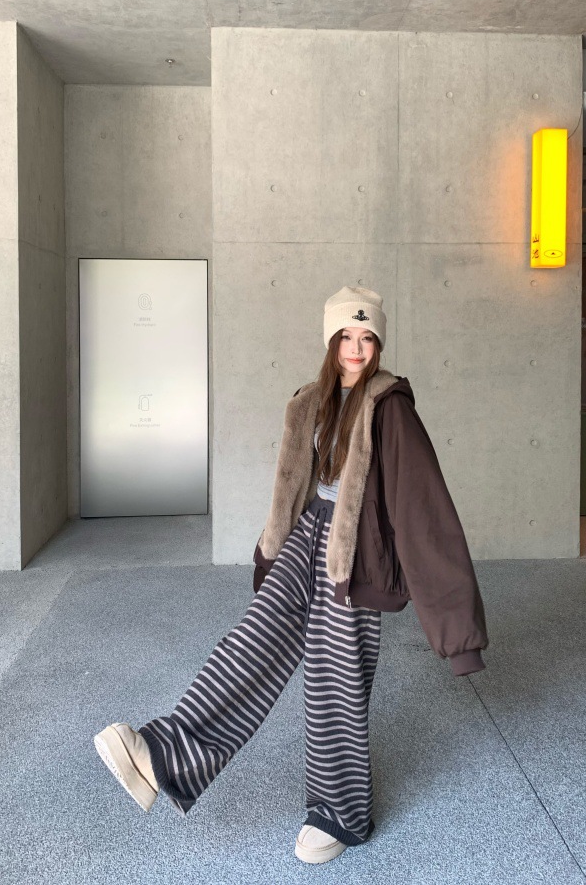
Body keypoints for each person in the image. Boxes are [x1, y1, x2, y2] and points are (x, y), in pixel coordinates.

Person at [94, 285, 489, 866]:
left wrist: (458, 634)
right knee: (251, 640)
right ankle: (167, 754)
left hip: (355, 552)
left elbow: (423, 511)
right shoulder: (311, 401)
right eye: (346, 335)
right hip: (305, 537)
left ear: (378, 343)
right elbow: (293, 486)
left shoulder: (390, 406)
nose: (356, 348)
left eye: (367, 336)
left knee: (336, 678)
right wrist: (270, 550)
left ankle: (341, 812)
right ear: (331, 340)